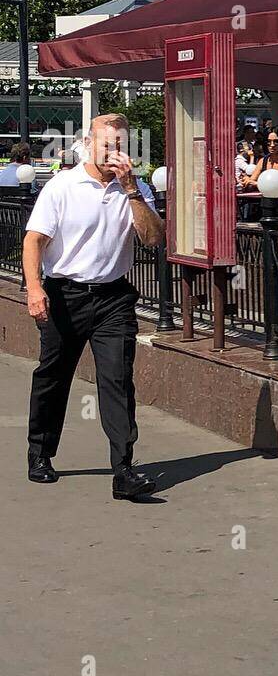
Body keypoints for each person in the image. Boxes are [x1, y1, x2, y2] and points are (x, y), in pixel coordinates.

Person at [23, 113, 164, 500]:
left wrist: (132, 189)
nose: (112, 152)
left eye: (119, 145)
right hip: (64, 295)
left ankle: (124, 470)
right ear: (88, 142)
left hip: (113, 298)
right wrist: (35, 289)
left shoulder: (132, 188)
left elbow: (153, 238)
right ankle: (40, 452)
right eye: (105, 144)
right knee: (53, 376)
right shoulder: (63, 186)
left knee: (117, 380)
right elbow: (34, 241)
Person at [242, 126, 278, 190]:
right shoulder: (263, 161)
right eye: (268, 142)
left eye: (276, 141)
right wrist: (246, 180)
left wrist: (257, 183)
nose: (272, 145)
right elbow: (251, 181)